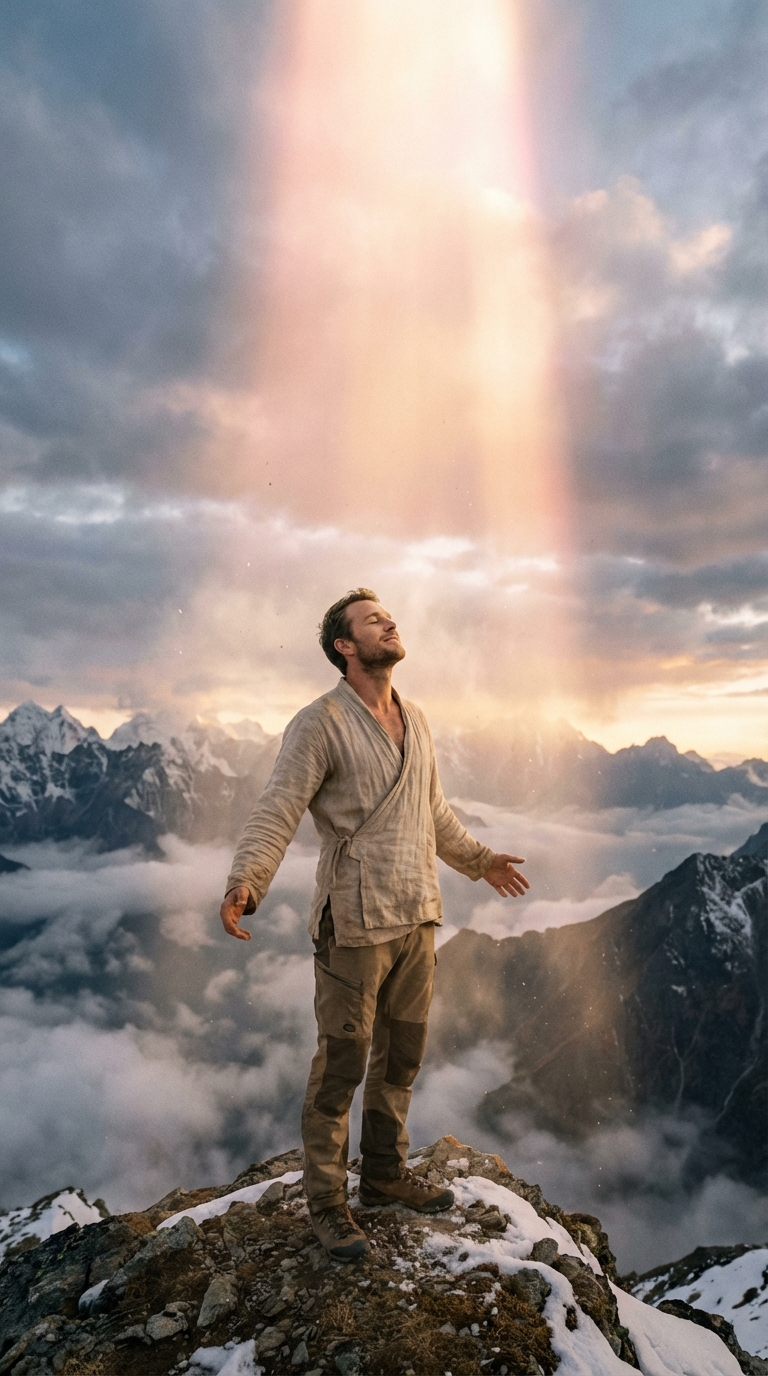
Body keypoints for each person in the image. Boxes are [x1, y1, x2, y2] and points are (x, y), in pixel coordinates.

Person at [220, 589, 529, 1261]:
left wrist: (479, 861)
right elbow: (280, 806)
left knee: (402, 1058)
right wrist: (247, 879)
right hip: (354, 922)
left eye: (389, 615)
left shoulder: (414, 718)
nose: (390, 622)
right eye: (373, 620)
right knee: (342, 1067)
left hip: (416, 914)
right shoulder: (320, 723)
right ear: (346, 647)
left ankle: (385, 1176)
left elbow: (432, 813)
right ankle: (329, 1205)